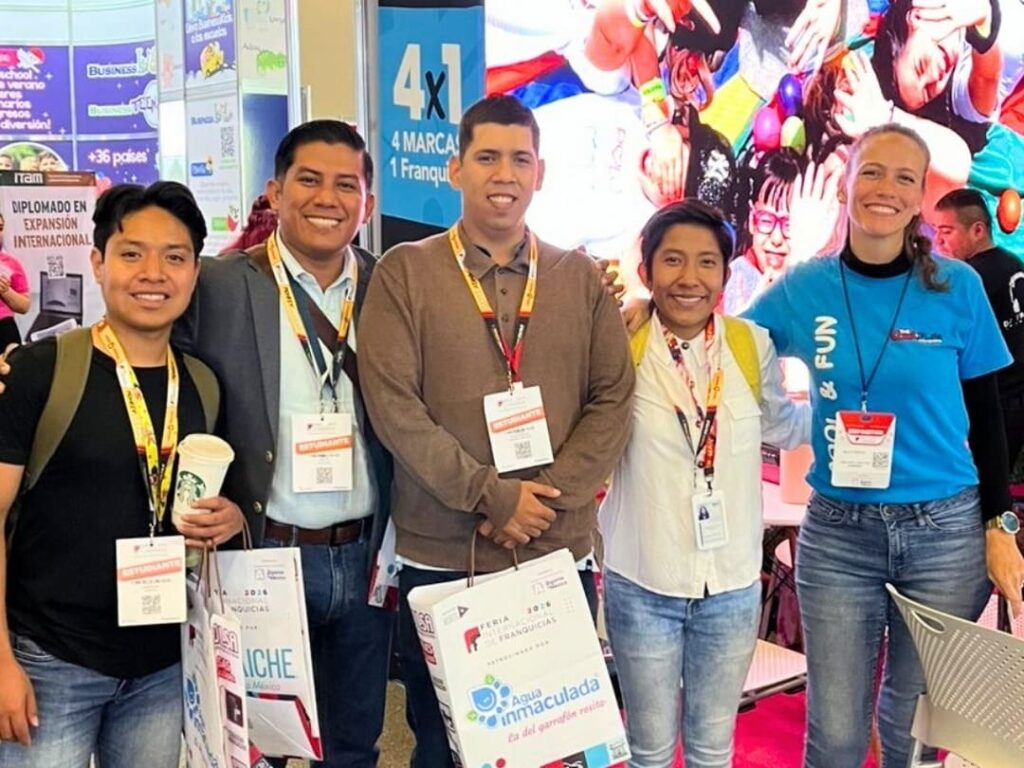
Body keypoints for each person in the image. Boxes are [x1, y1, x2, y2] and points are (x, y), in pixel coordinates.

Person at [358, 94, 635, 768]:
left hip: (555, 553)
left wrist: (545, 500)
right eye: (486, 157)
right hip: (443, 555)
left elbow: (613, 397)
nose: (504, 174)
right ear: (455, 169)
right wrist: (493, 495)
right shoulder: (405, 271)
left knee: (556, 743)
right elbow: (394, 407)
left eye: (520, 159)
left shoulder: (578, 277)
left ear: (541, 172)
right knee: (443, 742)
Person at [743, 123, 1024, 768]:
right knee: (837, 734)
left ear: (920, 196)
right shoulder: (805, 286)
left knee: (913, 730)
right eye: (871, 171)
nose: (885, 189)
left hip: (944, 534)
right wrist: (644, 316)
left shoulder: (957, 286)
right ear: (846, 184)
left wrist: (999, 525)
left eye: (904, 178)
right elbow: (728, 343)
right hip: (839, 535)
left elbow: (987, 417)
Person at [174, 120, 394, 768]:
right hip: (261, 552)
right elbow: (162, 374)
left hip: (364, 559)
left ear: (367, 204)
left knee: (352, 747)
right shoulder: (219, 285)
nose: (327, 198)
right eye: (309, 180)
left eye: (346, 185)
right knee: (254, 749)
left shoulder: (391, 288)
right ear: (275, 192)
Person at [0, 182, 243, 766]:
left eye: (175, 257)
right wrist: (1, 661)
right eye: (132, 253)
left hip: (161, 665)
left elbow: (206, 501)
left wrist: (229, 517)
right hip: (51, 662)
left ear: (195, 271)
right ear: (97, 262)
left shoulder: (203, 384)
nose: (153, 273)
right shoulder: (40, 371)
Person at [600, 199, 810, 768]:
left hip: (732, 589)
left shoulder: (749, 345)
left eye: (706, 262)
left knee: (712, 752)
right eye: (672, 260)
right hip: (643, 582)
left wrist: (849, 404)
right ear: (646, 271)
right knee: (648, 751)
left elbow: (785, 427)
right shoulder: (623, 344)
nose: (689, 277)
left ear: (724, 272)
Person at [932, 187, 1024, 470]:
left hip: (993, 402)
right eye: (936, 231)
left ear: (978, 230)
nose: (938, 240)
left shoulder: (969, 279)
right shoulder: (1013, 263)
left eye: (947, 231)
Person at [0, 214, 31, 350]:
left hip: (5, 328)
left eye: (0, 228)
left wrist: (6, 291)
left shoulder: (11, 263)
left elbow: (24, 306)